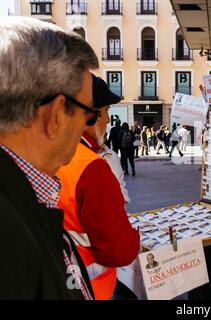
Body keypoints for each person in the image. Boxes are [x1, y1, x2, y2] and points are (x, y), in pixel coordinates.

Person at [0, 17, 99, 299]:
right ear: (55, 115)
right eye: (88, 112)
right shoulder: (8, 234)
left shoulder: (23, 198)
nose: (87, 125)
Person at [56, 75, 140, 300]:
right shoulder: (91, 168)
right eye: (105, 110)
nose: (109, 118)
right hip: (90, 288)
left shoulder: (45, 153)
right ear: (89, 115)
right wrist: (135, 238)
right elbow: (120, 251)